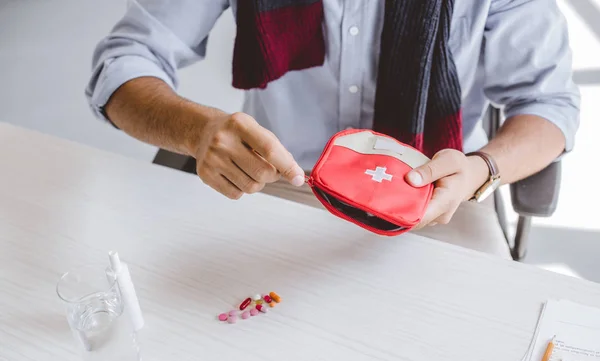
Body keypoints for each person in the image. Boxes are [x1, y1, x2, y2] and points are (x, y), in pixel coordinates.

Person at [86, 0, 580, 259]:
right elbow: (121, 63)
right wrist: (195, 131)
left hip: (439, 197)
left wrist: (483, 169)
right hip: (275, 183)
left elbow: (549, 103)